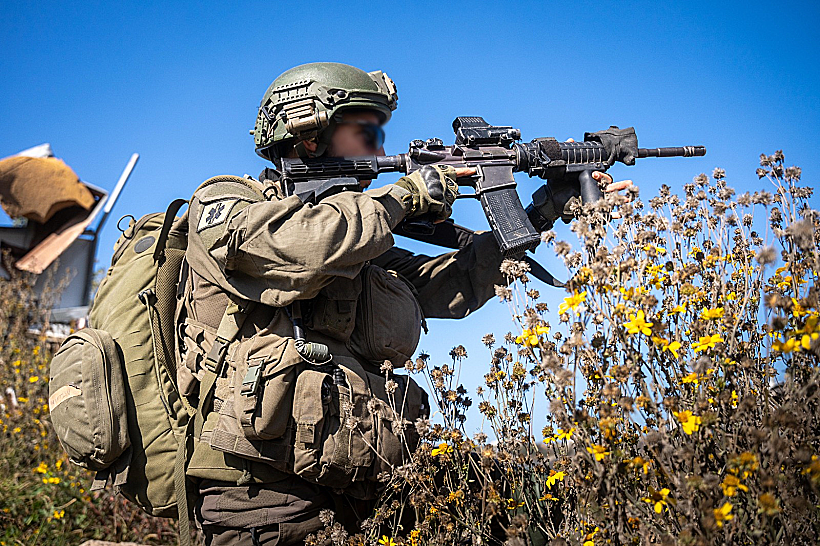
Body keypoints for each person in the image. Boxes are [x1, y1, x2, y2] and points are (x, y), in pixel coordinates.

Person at [178, 62, 628, 545]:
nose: (381, 148)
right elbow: (297, 246)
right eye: (365, 131)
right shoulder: (225, 202)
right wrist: (400, 200)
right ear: (309, 135)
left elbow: (453, 285)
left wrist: (544, 210)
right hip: (262, 501)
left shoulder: (365, 240)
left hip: (363, 477)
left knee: (530, 514)